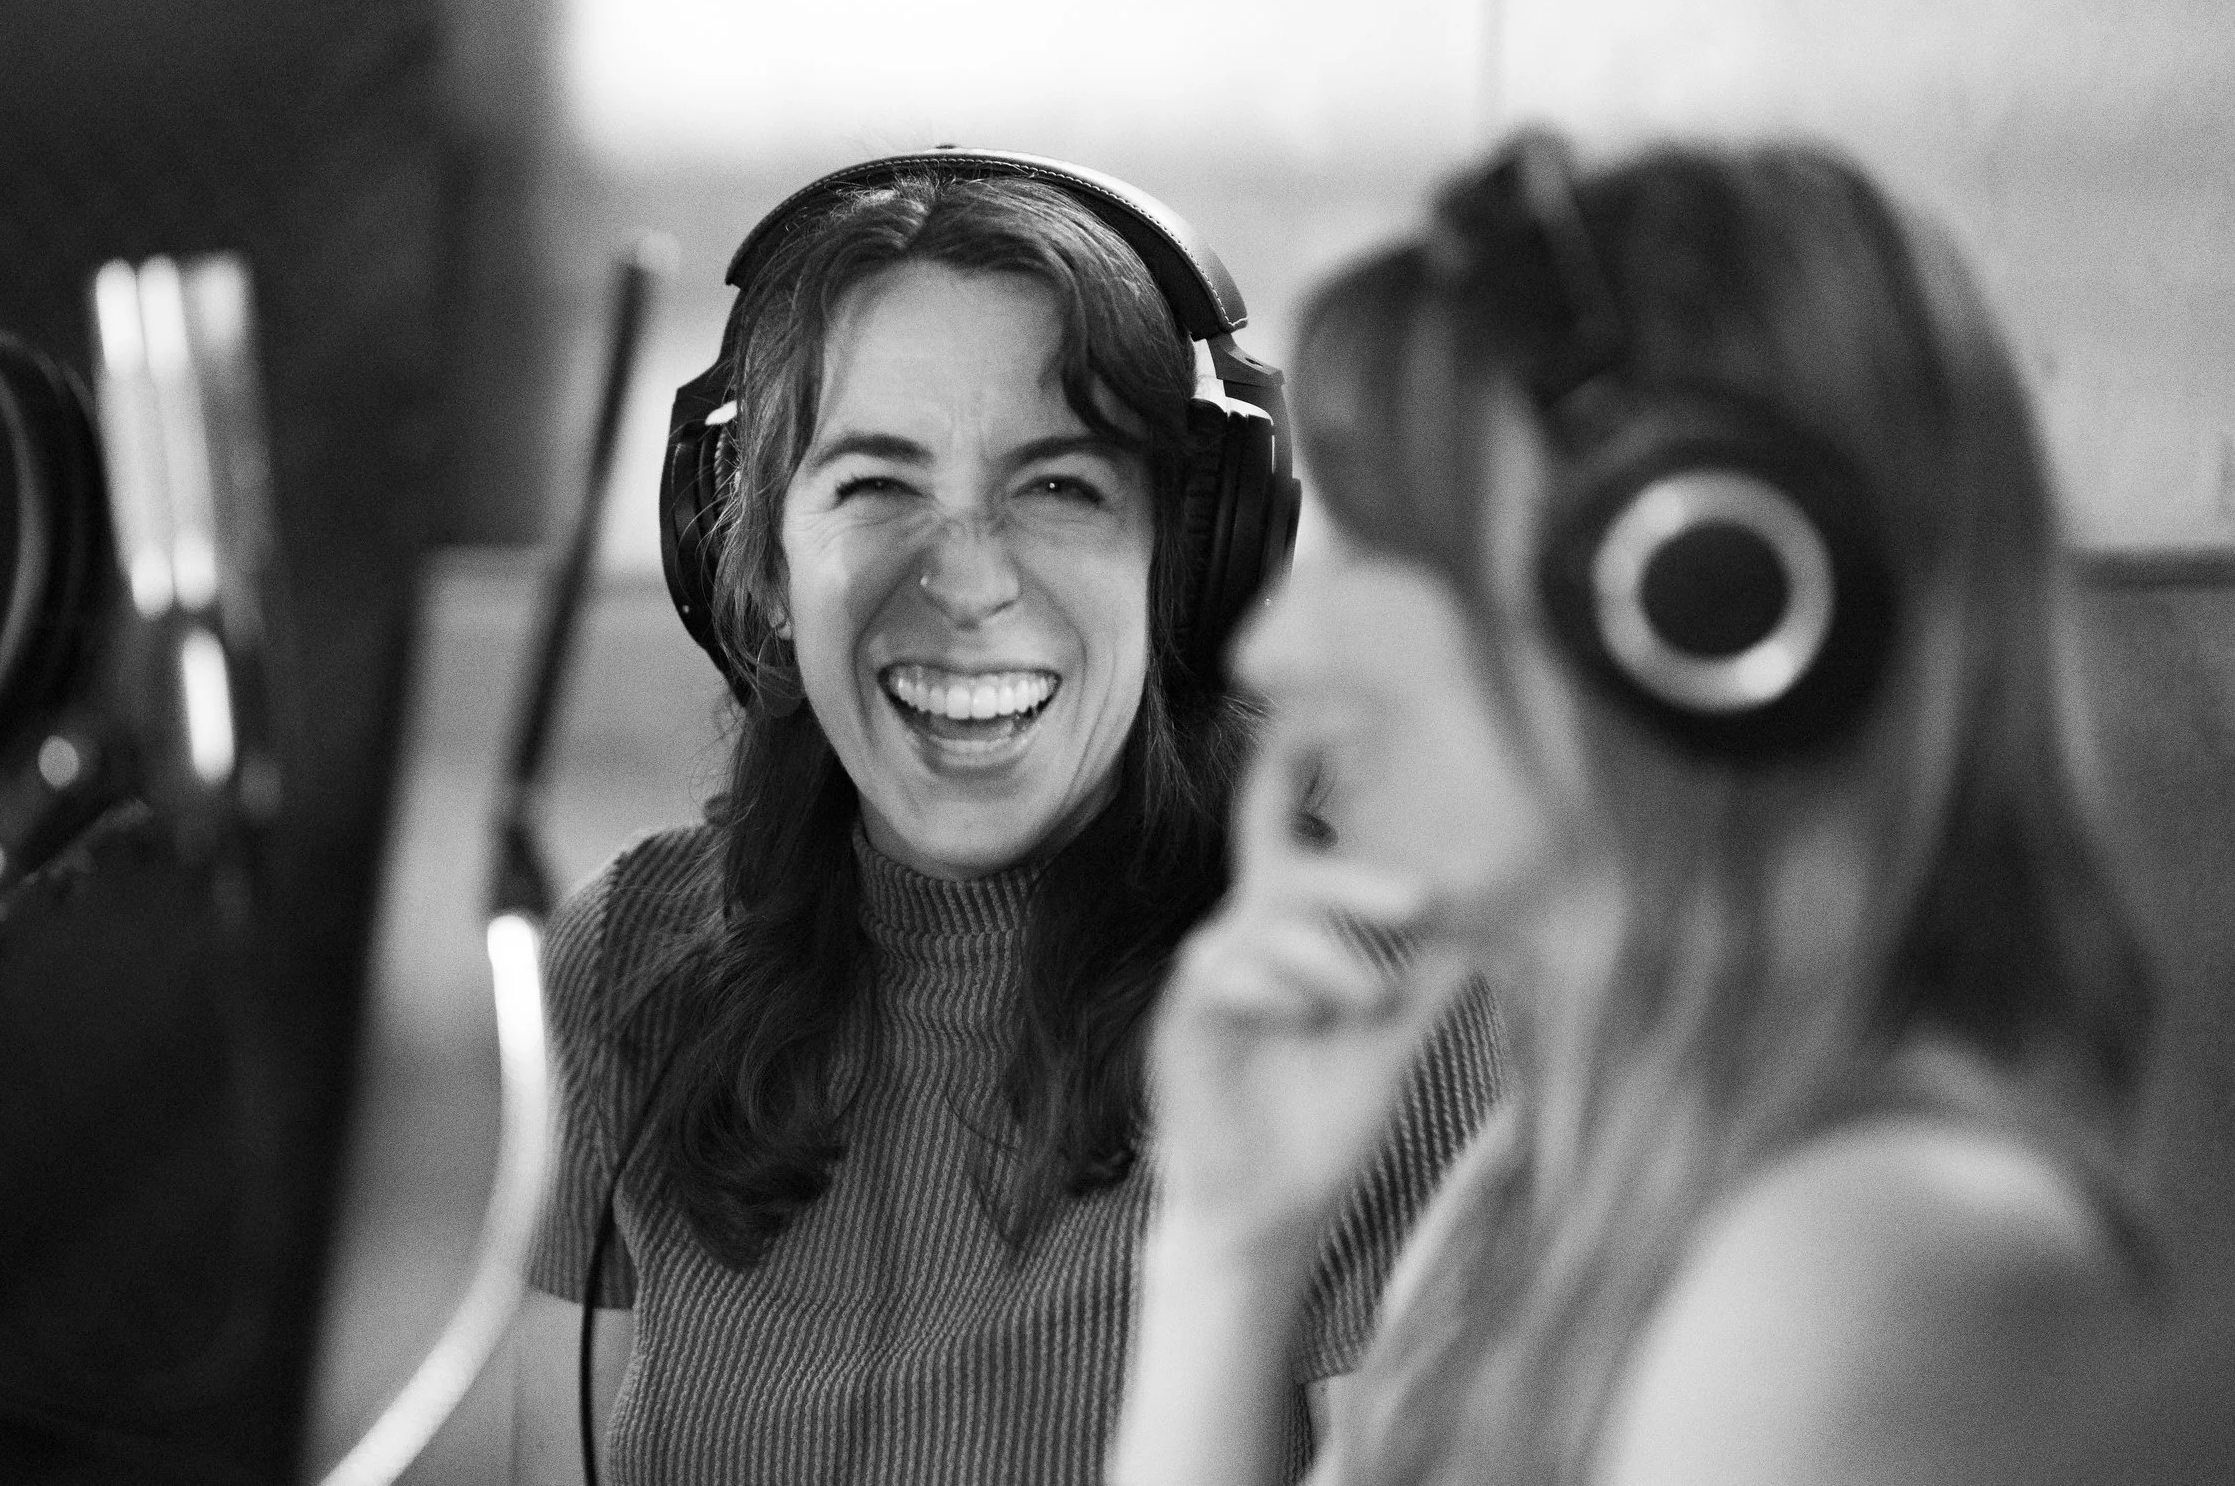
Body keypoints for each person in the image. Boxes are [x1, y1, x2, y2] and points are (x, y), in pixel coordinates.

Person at [1112, 131, 2155, 1486]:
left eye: (1378, 555)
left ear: (1698, 597)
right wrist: (1226, 1242)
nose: (1273, 654)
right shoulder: (1532, 1186)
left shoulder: (1871, 1251)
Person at [490, 154, 1502, 1486]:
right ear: (763, 566)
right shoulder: (632, 953)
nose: (964, 579)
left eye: (1059, 487)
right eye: (875, 485)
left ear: (1186, 566)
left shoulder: (1357, 1002)